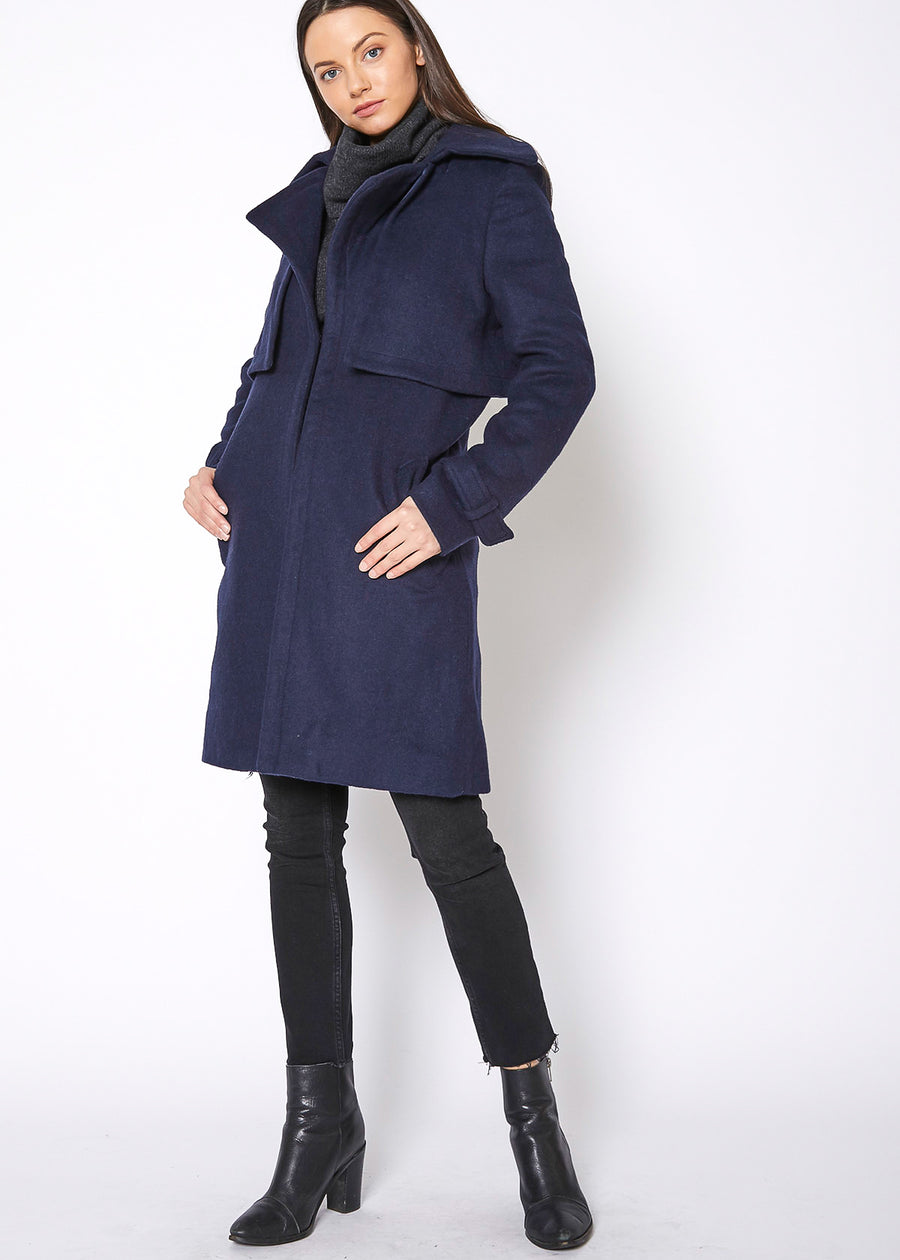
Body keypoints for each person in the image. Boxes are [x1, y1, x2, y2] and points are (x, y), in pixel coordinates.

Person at [182, 0, 595, 1250]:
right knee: (296, 838)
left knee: (449, 840)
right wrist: (215, 466)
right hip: (276, 555)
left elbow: (559, 372)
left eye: (370, 51)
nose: (354, 81)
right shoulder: (319, 198)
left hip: (388, 554)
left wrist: (453, 505)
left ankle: (535, 1125)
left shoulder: (491, 188)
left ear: (414, 46)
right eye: (327, 69)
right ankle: (320, 1125)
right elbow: (270, 366)